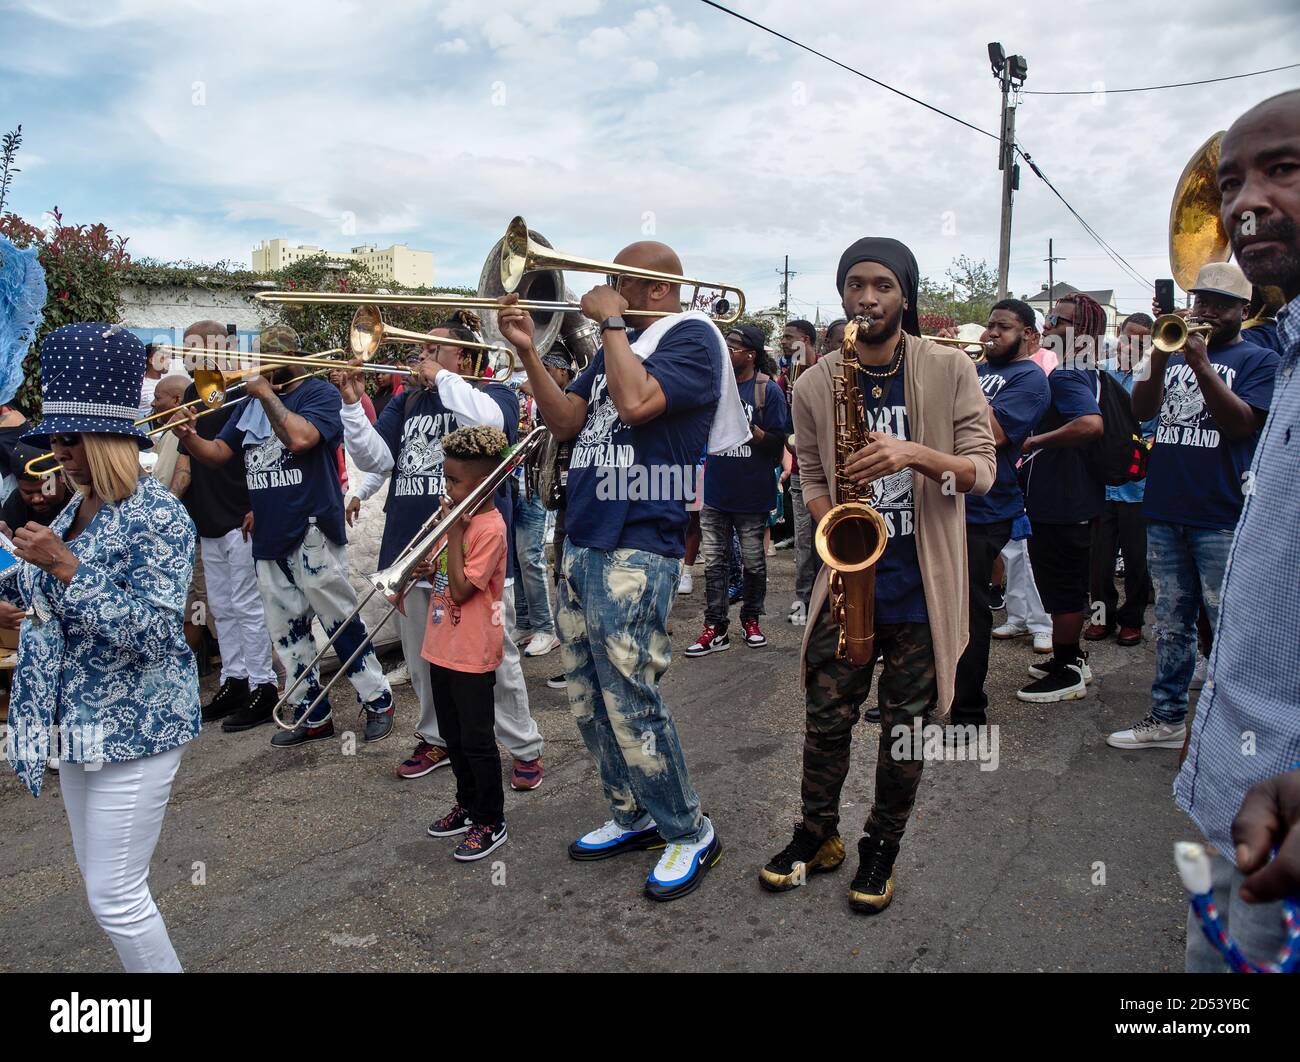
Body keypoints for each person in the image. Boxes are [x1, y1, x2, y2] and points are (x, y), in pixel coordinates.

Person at [498, 239, 748, 901]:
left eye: (619, 281)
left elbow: (638, 407)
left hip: (638, 543)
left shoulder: (692, 337)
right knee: (586, 697)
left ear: (658, 289)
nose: (604, 288)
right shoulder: (619, 348)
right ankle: (633, 811)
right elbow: (567, 420)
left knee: (632, 696)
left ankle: (690, 829)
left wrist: (610, 321)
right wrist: (528, 350)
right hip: (583, 537)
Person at [760, 237, 996, 913]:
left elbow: (982, 471)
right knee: (825, 719)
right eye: (856, 285)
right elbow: (807, 472)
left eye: (884, 285)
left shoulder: (948, 368)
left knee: (905, 730)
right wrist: (832, 518)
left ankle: (882, 844)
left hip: (922, 584)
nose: (868, 298)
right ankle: (816, 834)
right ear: (841, 294)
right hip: (849, 577)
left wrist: (915, 453)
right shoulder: (814, 381)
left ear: (906, 295)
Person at [2, 323, 199, 971]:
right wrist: (18, 593)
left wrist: (66, 569)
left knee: (117, 897)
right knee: (102, 891)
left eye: (68, 438)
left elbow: (155, 631)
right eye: (53, 437)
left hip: (134, 728)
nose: (57, 451)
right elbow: (33, 589)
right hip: (75, 727)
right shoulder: (73, 509)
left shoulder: (160, 516)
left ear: (106, 439)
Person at [1176, 89, 1300, 967]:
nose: (1245, 202)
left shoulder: (1258, 356)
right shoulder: (1290, 350)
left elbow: (1233, 428)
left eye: (1283, 169)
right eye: (1230, 183)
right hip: (1231, 797)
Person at [335, 318, 545, 790]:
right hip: (411, 546)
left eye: (433, 350)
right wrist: (352, 403)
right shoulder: (409, 400)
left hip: (475, 552)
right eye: (420, 351)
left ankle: (523, 745)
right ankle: (437, 737)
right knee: (424, 655)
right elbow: (375, 460)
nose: (419, 358)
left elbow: (492, 426)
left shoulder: (496, 393)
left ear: (465, 358)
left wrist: (442, 378)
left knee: (497, 658)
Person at [171, 325, 394, 747]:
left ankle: (378, 700)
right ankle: (313, 711)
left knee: (340, 621)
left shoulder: (317, 395)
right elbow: (219, 455)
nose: (260, 371)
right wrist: (189, 437)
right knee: (287, 632)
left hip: (312, 530)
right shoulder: (249, 404)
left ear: (291, 358)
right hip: (270, 534)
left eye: (269, 362)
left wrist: (266, 395)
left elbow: (301, 437)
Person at [1109, 261, 1278, 750]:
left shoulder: (1258, 361)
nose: (1206, 311)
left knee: (1229, 627)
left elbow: (1241, 425)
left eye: (1220, 305)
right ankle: (1167, 718)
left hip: (1221, 515)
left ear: (1242, 310)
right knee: (1172, 624)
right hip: (1165, 509)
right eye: (1201, 302)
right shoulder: (1172, 351)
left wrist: (1202, 362)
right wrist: (1161, 356)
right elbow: (1140, 412)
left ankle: (1235, 729)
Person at [950, 299, 1050, 728]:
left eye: (1001, 328)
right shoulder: (979, 371)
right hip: (949, 500)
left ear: (1029, 336)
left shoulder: (1030, 378)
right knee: (936, 606)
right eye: (988, 325)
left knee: (969, 612)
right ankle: (924, 695)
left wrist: (958, 380)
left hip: (985, 507)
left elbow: (990, 434)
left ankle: (968, 710)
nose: (989, 334)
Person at [172, 321, 277, 729]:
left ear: (224, 346)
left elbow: (266, 447)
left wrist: (259, 504)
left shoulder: (242, 388)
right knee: (222, 607)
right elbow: (187, 456)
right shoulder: (190, 392)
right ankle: (235, 679)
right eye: (186, 348)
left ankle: (263, 686)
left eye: (196, 347)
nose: (188, 355)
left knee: (249, 607)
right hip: (208, 515)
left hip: (242, 514)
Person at [418, 425, 513, 862]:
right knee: (453, 736)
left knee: (476, 740)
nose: (446, 487)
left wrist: (454, 533)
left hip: (472, 650)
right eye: (446, 478)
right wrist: (424, 567)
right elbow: (442, 572)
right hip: (441, 645)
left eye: (454, 481)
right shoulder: (461, 520)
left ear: (481, 485)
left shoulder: (489, 528)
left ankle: (491, 819)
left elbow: (460, 591)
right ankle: (467, 804)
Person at [1015, 293, 1105, 703]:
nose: (1048, 325)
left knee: (1062, 584)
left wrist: (1035, 440)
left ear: (1082, 331)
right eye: (1048, 317)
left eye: (1058, 320)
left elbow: (1089, 425)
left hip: (1062, 499)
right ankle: (1071, 658)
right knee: (1065, 581)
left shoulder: (1067, 374)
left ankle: (1067, 669)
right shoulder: (1088, 369)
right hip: (1077, 494)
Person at [686, 324, 791, 656]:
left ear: (751, 354)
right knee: (715, 565)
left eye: (734, 346)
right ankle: (715, 628)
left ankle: (751, 620)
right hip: (715, 494)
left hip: (751, 496)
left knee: (753, 563)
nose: (727, 351)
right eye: (725, 344)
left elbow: (781, 443)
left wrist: (753, 435)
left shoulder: (767, 391)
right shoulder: (716, 387)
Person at [1086, 313, 1156, 647]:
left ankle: (1133, 620)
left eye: (1143, 339)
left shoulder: (1156, 375)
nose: (1133, 344)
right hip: (1101, 484)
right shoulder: (1101, 370)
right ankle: (1101, 618)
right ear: (1120, 335)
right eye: (1129, 336)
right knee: (1098, 563)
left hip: (1138, 487)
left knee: (1137, 561)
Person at [786, 319, 841, 627]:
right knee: (807, 542)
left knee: (838, 543)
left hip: (844, 474)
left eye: (789, 338)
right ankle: (804, 601)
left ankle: (836, 601)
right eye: (836, 343)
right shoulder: (800, 375)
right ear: (826, 345)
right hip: (806, 474)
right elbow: (786, 427)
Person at [512, 380, 560, 659]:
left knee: (530, 556)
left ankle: (546, 627)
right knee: (516, 559)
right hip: (508, 479)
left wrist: (539, 389)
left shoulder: (543, 371)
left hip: (533, 479)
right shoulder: (498, 372)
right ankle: (525, 621)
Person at [1, 442, 71, 528]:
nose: (37, 499)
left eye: (46, 489)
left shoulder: (83, 500)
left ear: (63, 477)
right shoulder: (15, 503)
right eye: (27, 492)